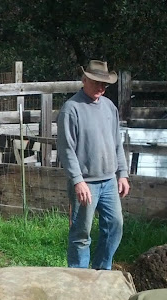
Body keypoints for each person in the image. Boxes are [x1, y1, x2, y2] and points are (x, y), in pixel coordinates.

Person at [56, 59, 130, 270]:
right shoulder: (71, 109)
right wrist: (77, 181)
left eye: (104, 84)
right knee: (81, 233)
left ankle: (101, 270)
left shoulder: (109, 107)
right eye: (97, 82)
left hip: (109, 180)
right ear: (84, 79)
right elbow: (66, 149)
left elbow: (117, 143)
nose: (101, 87)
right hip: (86, 182)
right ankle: (79, 276)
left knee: (115, 225)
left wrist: (123, 173)